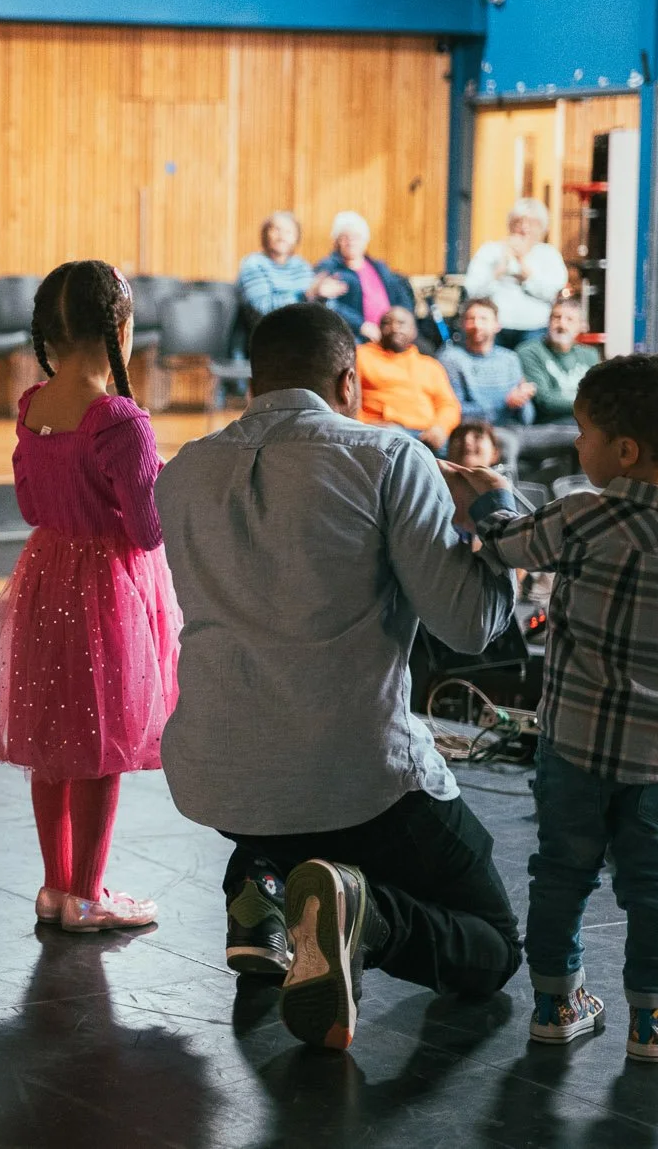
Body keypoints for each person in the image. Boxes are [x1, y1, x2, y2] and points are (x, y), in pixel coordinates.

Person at [156, 302, 521, 1052]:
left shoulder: (184, 471)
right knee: (493, 942)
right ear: (350, 380)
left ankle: (258, 889)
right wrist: (495, 511)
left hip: (216, 775)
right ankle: (367, 915)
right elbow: (469, 626)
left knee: (279, 810)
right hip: (356, 781)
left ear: (254, 379)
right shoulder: (388, 458)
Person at [447, 354, 658, 1063]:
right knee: (656, 886)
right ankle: (654, 1019)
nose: (576, 446)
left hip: (571, 750)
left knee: (560, 873)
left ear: (624, 450)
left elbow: (509, 544)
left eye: (582, 432)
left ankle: (554, 1005)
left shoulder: (581, 515)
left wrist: (489, 496)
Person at [0, 259, 179, 933]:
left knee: (54, 738)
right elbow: (149, 530)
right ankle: (89, 896)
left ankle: (54, 887)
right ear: (119, 329)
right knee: (100, 742)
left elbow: (31, 500)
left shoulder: (32, 406)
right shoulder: (121, 419)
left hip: (46, 576)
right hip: (108, 591)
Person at [463, 198, 567, 347]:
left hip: (535, 328)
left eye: (531, 223)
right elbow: (473, 290)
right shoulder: (490, 251)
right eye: (518, 222)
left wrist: (524, 267)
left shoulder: (549, 254)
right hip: (495, 328)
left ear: (542, 228)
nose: (524, 228)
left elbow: (554, 292)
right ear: (510, 225)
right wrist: (498, 271)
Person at [355, 306, 460, 451]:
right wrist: (362, 425)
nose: (394, 328)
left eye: (401, 323)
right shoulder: (361, 356)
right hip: (382, 432)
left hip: (427, 434)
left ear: (414, 331)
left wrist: (440, 428)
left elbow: (448, 405)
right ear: (379, 328)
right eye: (387, 323)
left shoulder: (430, 365)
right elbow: (347, 398)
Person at [313, 211, 414, 344]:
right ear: (337, 242)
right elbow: (330, 306)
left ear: (365, 241)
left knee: (425, 351)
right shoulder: (329, 268)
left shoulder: (379, 267)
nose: (350, 242)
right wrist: (361, 325)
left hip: (391, 331)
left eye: (356, 237)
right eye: (344, 238)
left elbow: (400, 297)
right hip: (355, 334)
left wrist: (405, 322)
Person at [440, 298, 535, 429]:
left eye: (483, 319)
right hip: (473, 431)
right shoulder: (451, 358)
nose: (477, 325)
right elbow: (455, 410)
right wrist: (504, 404)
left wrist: (523, 400)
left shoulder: (509, 359)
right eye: (470, 319)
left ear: (497, 325)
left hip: (514, 430)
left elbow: (527, 419)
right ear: (462, 324)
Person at [237, 212, 342, 324]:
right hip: (269, 332)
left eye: (288, 232)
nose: (282, 237)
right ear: (265, 233)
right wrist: (305, 295)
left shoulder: (301, 265)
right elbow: (262, 307)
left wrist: (323, 296)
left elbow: (322, 308)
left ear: (296, 238)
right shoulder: (254, 263)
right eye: (277, 230)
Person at [517, 297, 598, 426]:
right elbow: (545, 401)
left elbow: (598, 394)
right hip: (551, 425)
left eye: (569, 320)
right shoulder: (530, 352)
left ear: (581, 326)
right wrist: (591, 406)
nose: (562, 325)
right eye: (556, 317)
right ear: (548, 322)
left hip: (586, 424)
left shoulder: (589, 354)